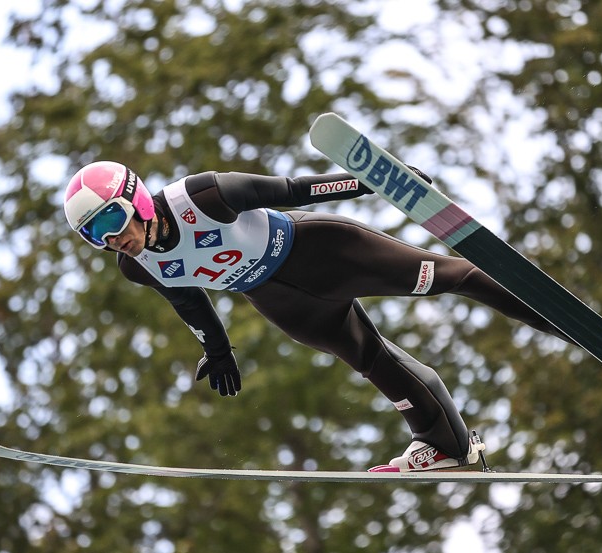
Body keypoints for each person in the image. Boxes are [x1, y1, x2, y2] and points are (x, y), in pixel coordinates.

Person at [63, 161, 569, 471]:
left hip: (320, 253)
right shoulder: (137, 266)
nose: (112, 238)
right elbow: (188, 302)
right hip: (282, 302)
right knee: (371, 360)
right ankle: (445, 446)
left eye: (112, 219)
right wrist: (217, 350)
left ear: (135, 198)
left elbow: (294, 189)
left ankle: (557, 319)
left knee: (451, 277)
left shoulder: (201, 196)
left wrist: (373, 184)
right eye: (94, 234)